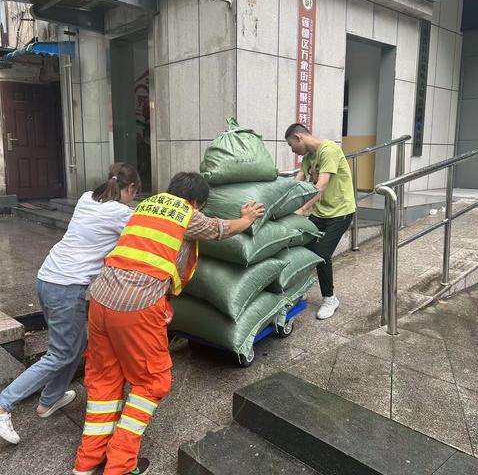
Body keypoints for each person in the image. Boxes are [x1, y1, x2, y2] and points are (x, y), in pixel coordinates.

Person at [73, 172, 264, 475]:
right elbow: (222, 229)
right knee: (152, 381)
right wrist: (247, 217)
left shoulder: (144, 205)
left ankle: (87, 462)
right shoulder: (188, 213)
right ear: (196, 202)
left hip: (99, 300)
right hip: (136, 307)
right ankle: (120, 465)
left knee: (104, 380)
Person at [0, 163, 141, 445]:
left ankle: (50, 399)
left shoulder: (87, 197)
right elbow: (146, 227)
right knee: (61, 353)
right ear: (131, 189)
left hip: (47, 277)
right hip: (67, 287)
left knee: (73, 346)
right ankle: (4, 404)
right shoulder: (121, 213)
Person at [285, 123, 356, 320]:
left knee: (321, 254)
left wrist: (302, 209)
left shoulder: (329, 150)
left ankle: (330, 298)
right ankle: (302, 288)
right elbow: (297, 183)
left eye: (292, 146)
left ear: (300, 137)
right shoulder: (308, 158)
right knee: (303, 248)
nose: (293, 151)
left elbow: (322, 185)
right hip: (321, 212)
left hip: (340, 212)